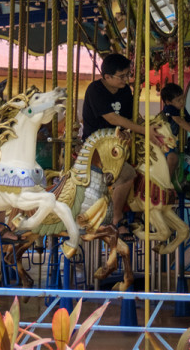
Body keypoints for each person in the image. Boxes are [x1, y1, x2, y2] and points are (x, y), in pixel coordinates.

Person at [81, 52, 145, 239]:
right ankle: (116, 218)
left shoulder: (125, 91)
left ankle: (140, 213)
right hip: (97, 144)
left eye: (127, 75)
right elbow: (112, 117)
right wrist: (142, 131)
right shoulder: (95, 90)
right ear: (107, 77)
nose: (126, 79)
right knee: (126, 174)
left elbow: (129, 117)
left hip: (118, 143)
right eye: (122, 76)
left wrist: (134, 130)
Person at [159, 83, 190, 178]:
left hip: (175, 142)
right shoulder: (169, 108)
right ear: (168, 102)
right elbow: (179, 121)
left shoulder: (181, 109)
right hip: (164, 141)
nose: (182, 102)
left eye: (183, 98)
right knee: (173, 158)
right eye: (178, 100)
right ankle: (166, 183)